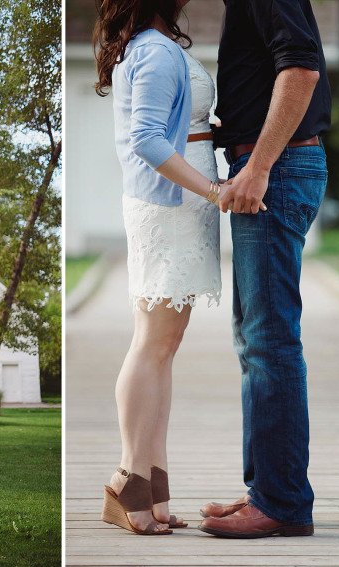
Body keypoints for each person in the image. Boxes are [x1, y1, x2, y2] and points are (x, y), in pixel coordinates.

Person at [93, 0, 265, 536]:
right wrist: (214, 190)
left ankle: (154, 490)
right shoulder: (155, 49)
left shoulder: (155, 45)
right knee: (152, 343)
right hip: (171, 205)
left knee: (163, 347)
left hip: (176, 203)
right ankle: (128, 482)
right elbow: (146, 139)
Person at [198, 0, 331, 539]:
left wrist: (257, 168)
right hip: (272, 167)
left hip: (275, 170)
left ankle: (281, 502)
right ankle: (269, 491)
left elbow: (300, 68)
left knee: (270, 340)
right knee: (256, 339)